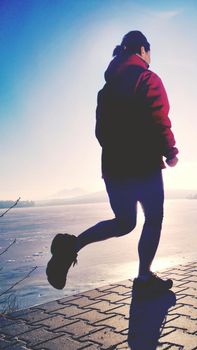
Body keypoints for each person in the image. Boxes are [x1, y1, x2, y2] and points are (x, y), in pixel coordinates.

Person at [46, 31, 178, 294]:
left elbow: (100, 132)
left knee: (124, 221)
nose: (150, 57)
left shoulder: (105, 91)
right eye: (149, 52)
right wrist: (169, 150)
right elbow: (158, 117)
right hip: (143, 164)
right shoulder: (146, 77)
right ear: (142, 49)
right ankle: (143, 279)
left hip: (114, 167)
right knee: (153, 219)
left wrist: (117, 153)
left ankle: (72, 245)